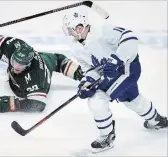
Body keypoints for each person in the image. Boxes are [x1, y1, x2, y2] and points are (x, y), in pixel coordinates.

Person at [62, 11, 168, 153]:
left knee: (97, 100)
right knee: (131, 98)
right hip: (114, 75)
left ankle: (107, 136)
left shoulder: (103, 30)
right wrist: (87, 83)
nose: (69, 34)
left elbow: (130, 38)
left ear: (79, 27)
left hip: (128, 68)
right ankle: (156, 120)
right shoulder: (76, 47)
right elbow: (90, 69)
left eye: (70, 30)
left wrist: (117, 59)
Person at [0, 30, 84, 113]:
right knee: (0, 51)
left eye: (21, 64)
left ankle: (83, 73)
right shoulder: (15, 46)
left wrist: (14, 104)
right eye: (14, 61)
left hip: (41, 72)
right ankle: (81, 71)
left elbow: (39, 105)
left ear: (29, 64)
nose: (16, 67)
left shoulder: (36, 77)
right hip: (43, 57)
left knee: (59, 62)